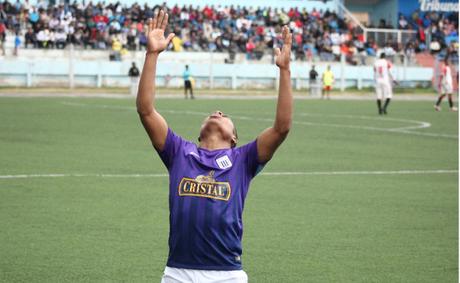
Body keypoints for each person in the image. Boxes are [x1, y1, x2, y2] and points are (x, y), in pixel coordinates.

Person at [136, 10, 292, 283]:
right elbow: (146, 111)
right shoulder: (179, 152)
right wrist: (152, 55)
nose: (218, 112)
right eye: (214, 113)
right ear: (198, 134)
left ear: (234, 138)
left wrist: (285, 71)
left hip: (227, 275)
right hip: (177, 272)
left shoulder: (243, 159)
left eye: (225, 116)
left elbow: (281, 128)